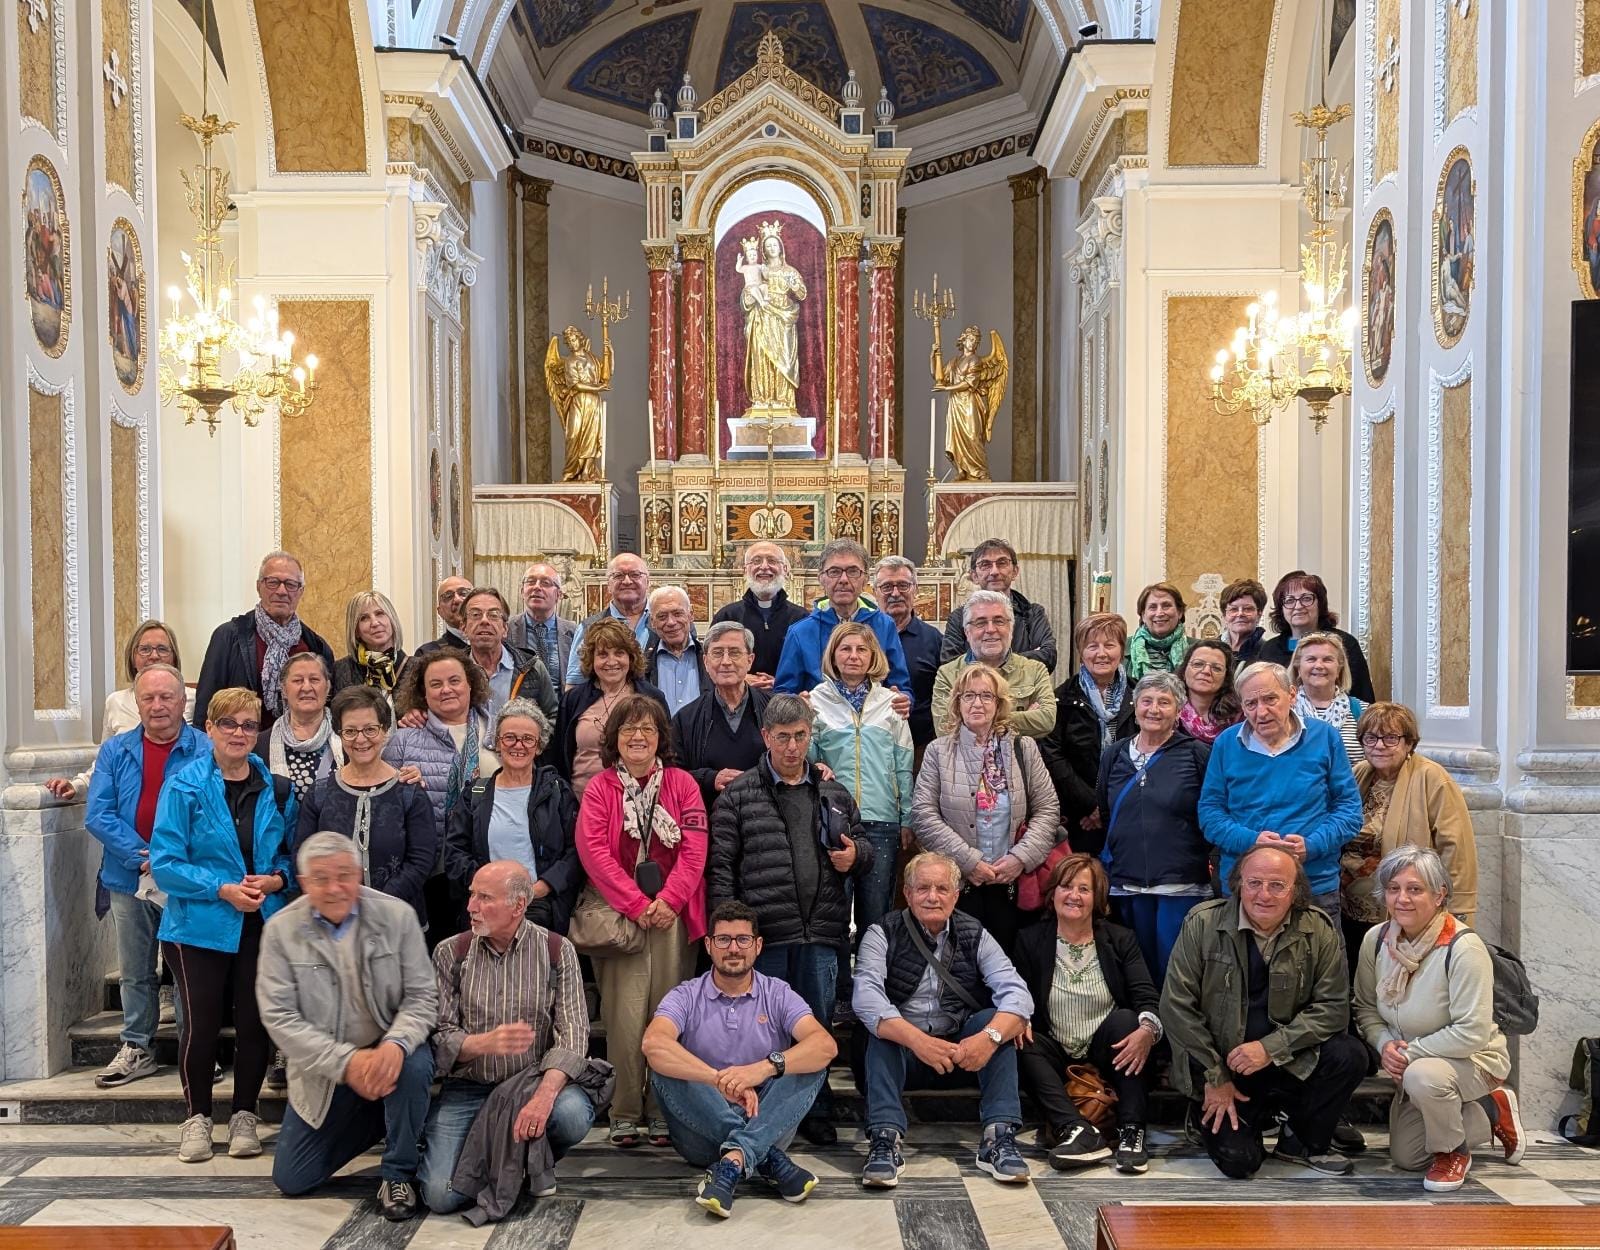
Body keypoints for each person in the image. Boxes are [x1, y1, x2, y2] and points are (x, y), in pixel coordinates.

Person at [709, 691, 874, 1145]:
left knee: (815, 1026)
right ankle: (762, 1109)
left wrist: (856, 856)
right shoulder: (739, 796)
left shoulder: (832, 792)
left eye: (800, 736)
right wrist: (729, 936)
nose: (792, 747)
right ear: (766, 737)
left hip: (821, 932)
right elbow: (721, 869)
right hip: (766, 936)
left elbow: (864, 846)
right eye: (782, 737)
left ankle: (814, 1108)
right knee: (762, 1029)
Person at [1160, 844, 1368, 1179]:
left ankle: (1299, 1140)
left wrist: (1270, 1049)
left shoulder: (1317, 928)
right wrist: (1215, 1076)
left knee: (1349, 1054)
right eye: (1254, 883)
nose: (1264, 894)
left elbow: (1333, 1008)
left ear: (1295, 890)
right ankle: (1213, 1116)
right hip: (1226, 1067)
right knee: (1239, 1162)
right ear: (1238, 884)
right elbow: (1176, 1006)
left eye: (1277, 885)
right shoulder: (1203, 922)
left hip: (1287, 1061)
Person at [257, 832, 437, 1219]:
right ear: (303, 882)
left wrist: (395, 1045)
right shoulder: (281, 930)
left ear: (359, 874)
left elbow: (422, 997)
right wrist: (348, 1063)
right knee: (293, 1178)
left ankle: (399, 1170)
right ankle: (391, 1119)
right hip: (326, 1066)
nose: (335, 888)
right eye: (321, 878)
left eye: (344, 875)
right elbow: (279, 1017)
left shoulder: (397, 916)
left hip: (390, 1050)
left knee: (415, 1064)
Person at [151, 687, 295, 1163]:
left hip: (260, 921)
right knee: (202, 1025)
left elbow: (290, 856)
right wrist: (222, 888)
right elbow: (166, 864)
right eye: (228, 723)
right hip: (197, 925)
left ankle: (244, 1116)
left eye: (249, 725)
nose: (239, 733)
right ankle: (196, 1118)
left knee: (254, 1023)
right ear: (209, 728)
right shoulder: (184, 785)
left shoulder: (277, 788)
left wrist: (276, 879)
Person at [418, 861, 595, 1214]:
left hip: (530, 1083)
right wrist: (482, 1044)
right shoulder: (451, 952)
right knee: (440, 1196)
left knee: (572, 1113)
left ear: (518, 905)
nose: (471, 906)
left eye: (485, 898)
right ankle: (510, 1165)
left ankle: (526, 1158)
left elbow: (574, 1033)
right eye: (472, 895)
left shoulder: (556, 949)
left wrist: (544, 1095)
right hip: (469, 1086)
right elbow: (440, 1033)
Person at [642, 901, 837, 1219]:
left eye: (743, 939)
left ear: (758, 946)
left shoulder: (778, 993)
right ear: (709, 945)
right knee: (665, 1066)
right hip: (700, 1134)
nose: (733, 948)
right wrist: (718, 1080)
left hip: (766, 1118)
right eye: (724, 939)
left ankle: (733, 1161)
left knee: (810, 1066)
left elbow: (825, 1046)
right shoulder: (685, 995)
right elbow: (654, 1043)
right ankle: (765, 1157)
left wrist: (761, 1069)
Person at [852, 852, 1035, 1188]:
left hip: (960, 1051)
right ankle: (885, 1140)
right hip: (905, 1054)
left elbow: (1017, 992)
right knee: (881, 1029)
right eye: (922, 888)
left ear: (956, 894)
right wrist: (918, 1041)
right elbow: (866, 997)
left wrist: (990, 1036)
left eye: (941, 888)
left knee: (996, 1021)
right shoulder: (882, 932)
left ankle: (998, 1138)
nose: (932, 897)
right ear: (907, 894)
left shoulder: (974, 932)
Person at [575, 694, 708, 1148]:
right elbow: (593, 851)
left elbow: (695, 849)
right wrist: (635, 903)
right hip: (619, 912)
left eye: (647, 729)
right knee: (625, 1016)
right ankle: (625, 1110)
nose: (638, 736)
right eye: (629, 729)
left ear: (660, 737)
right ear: (614, 738)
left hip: (673, 912)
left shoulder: (683, 785)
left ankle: (663, 1109)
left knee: (668, 1014)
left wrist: (669, 900)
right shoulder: (600, 788)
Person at [1353, 845, 1524, 1192]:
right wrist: (1384, 1045)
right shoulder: (1376, 940)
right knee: (1408, 1157)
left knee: (1423, 1077)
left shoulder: (1464, 948)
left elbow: (1471, 1032)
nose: (1402, 898)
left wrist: (1408, 1054)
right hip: (1413, 1066)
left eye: (1415, 889)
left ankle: (1452, 1152)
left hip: (1472, 1060)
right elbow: (1365, 1007)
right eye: (1393, 888)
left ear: (1439, 894)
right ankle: (1491, 1111)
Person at [84, 663, 212, 1087]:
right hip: (128, 878)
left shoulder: (205, 749)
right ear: (136, 704)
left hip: (185, 880)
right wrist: (145, 856)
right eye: (148, 698)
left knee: (188, 970)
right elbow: (98, 814)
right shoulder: (115, 751)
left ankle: (196, 1049)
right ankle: (138, 1046)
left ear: (182, 702)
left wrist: (169, 859)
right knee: (136, 971)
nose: (157, 706)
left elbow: (212, 812)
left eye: (166, 697)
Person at [1014, 855, 1162, 1173]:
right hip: (1056, 1049)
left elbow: (1147, 998)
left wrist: (1148, 1030)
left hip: (1107, 1050)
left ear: (1097, 898)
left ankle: (1132, 1131)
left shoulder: (1120, 939)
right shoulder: (1030, 940)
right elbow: (1017, 995)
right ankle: (1077, 1130)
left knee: (1129, 1021)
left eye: (1084, 889)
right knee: (1020, 1038)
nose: (1074, 896)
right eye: (1066, 886)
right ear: (1053, 893)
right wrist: (1019, 1017)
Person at [1199, 661, 1362, 929]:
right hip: (1246, 887)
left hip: (1312, 884)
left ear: (1292, 695)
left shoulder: (1325, 737)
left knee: (1320, 956)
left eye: (1270, 699)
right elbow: (1210, 814)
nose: (1261, 711)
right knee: (1244, 958)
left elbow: (1349, 811)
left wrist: (1313, 845)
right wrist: (1251, 842)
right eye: (1251, 704)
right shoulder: (1226, 743)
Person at [913, 663, 1060, 953]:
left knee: (1008, 961)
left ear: (999, 704)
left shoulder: (1024, 748)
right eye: (968, 696)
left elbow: (1047, 809)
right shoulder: (938, 751)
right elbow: (923, 815)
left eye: (986, 696)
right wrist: (969, 862)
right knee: (960, 961)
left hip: (1012, 884)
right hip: (959, 884)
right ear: (957, 703)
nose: (977, 703)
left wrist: (1020, 858)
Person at [1096, 672, 1213, 985]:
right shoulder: (1114, 755)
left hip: (1181, 885)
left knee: (1178, 972)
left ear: (1178, 710)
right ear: (1135, 707)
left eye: (1164, 702)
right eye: (1146, 701)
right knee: (1136, 972)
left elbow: (1210, 811)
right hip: (1126, 884)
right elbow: (1107, 811)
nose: (1154, 709)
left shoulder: (1196, 753)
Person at [808, 626, 913, 958]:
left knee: (876, 914)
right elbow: (808, 761)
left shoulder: (891, 703)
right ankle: (838, 983)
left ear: (872, 657)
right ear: (833, 655)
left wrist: (907, 818)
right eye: (845, 649)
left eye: (861, 649)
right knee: (834, 912)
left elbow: (903, 763)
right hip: (833, 822)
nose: (853, 656)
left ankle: (872, 981)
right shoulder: (815, 701)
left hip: (882, 820)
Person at [1344, 702, 1478, 958]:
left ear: (1409, 743)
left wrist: (1456, 911)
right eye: (1371, 738)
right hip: (1351, 911)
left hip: (1406, 909)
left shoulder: (1432, 778)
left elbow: (1456, 848)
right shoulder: (1360, 773)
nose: (1379, 746)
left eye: (1390, 738)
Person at [295, 686, 435, 926]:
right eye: (350, 731)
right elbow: (303, 855)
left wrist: (375, 905)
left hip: (396, 923)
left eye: (370, 729)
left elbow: (421, 860)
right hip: (333, 922)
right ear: (339, 734)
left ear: (385, 730)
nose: (360, 739)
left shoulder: (409, 791)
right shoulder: (319, 793)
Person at [384, 650, 497, 941]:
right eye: (435, 684)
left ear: (470, 683)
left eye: (454, 680)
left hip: (491, 866)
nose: (446, 689)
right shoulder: (404, 738)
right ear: (423, 692)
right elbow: (387, 805)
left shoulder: (498, 731)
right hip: (431, 872)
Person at [445, 699, 581, 934]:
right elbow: (455, 852)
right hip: (485, 907)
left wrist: (545, 886)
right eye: (510, 737)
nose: (519, 745)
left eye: (528, 739)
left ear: (539, 746)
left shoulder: (557, 791)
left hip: (539, 905)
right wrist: (488, 888)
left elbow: (575, 850)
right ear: (498, 743)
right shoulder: (475, 794)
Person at [46, 619, 195, 800]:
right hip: (129, 800)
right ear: (133, 657)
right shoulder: (116, 702)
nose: (154, 656)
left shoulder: (193, 698)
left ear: (174, 658)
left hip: (180, 798)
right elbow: (105, 761)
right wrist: (77, 785)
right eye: (145, 649)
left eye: (162, 649)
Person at [192, 551, 336, 732]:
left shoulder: (316, 647)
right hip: (241, 743)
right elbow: (205, 708)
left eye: (291, 584)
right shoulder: (228, 637)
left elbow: (326, 710)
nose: (282, 591)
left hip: (300, 743)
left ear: (300, 592)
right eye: (273, 582)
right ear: (258, 586)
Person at [1043, 613, 1134, 856]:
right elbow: (1053, 756)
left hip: (1129, 811)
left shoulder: (1139, 696)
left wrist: (1109, 806)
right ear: (1081, 652)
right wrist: (1092, 805)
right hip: (1078, 817)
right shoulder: (1060, 699)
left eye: (1109, 645)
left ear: (1122, 650)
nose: (1101, 653)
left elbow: (1146, 753)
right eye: (1092, 646)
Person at [773, 539, 910, 698]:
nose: (844, 579)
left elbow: (901, 686)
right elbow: (783, 693)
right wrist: (799, 702)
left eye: (853, 571)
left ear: (865, 578)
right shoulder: (800, 632)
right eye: (834, 571)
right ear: (821, 578)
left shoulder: (884, 625)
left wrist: (903, 699)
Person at [555, 616, 669, 801]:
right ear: (591, 659)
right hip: (581, 802)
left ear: (631, 657)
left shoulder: (651, 697)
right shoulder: (573, 699)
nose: (611, 661)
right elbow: (559, 756)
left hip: (640, 803)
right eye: (603, 654)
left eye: (619, 653)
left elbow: (666, 751)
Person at [931, 590, 1057, 740]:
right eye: (981, 623)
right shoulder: (947, 674)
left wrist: (973, 719)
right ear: (967, 632)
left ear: (1011, 628)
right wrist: (1019, 719)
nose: (991, 629)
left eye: (999, 621)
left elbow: (1047, 720)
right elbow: (945, 730)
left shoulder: (1035, 670)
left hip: (1020, 755)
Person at [671, 621, 772, 808]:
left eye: (734, 652)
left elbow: (794, 760)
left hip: (768, 815)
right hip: (709, 814)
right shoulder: (686, 719)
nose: (726, 661)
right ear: (705, 661)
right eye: (717, 653)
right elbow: (672, 775)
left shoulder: (774, 709)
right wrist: (710, 778)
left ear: (750, 660)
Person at [939, 538, 1058, 673]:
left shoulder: (1033, 613)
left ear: (1015, 571)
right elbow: (950, 666)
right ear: (974, 576)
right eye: (985, 565)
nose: (994, 571)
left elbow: (1048, 657)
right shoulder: (958, 617)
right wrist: (1024, 660)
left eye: (1002, 563)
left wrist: (980, 663)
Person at [1258, 571, 1376, 703]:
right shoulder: (1269, 649)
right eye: (1289, 600)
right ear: (1281, 608)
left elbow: (1363, 697)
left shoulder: (1345, 643)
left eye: (1306, 599)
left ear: (1320, 604)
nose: (1298, 606)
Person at [712, 541, 807, 686]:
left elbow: (811, 667)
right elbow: (711, 660)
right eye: (756, 561)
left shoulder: (801, 618)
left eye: (772, 561)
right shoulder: (727, 616)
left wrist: (780, 683)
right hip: (738, 695)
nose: (764, 566)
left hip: (786, 697)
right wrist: (741, 678)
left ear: (785, 569)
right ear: (745, 570)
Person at [873, 556, 942, 749]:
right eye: (887, 587)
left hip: (922, 745)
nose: (895, 593)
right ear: (875, 592)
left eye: (903, 585)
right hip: (871, 745)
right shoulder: (861, 636)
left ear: (915, 589)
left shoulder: (934, 639)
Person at [460, 587, 558, 723]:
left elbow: (553, 716)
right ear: (463, 628)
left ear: (505, 629)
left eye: (493, 615)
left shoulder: (532, 668)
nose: (484, 621)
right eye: (476, 615)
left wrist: (531, 736)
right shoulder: (453, 670)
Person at [256, 652, 342, 804]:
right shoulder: (260, 744)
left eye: (314, 680)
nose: (306, 687)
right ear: (284, 689)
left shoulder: (347, 737)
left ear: (327, 687)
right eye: (298, 680)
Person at [565, 553, 655, 688]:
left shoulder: (665, 623)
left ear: (648, 581)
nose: (627, 581)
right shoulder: (588, 627)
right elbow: (574, 684)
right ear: (608, 584)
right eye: (618, 576)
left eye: (635, 575)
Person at [1289, 631, 1367, 768]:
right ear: (1298, 667)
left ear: (1339, 668)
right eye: (1311, 659)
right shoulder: (1284, 710)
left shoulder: (1363, 711)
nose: (1319, 665)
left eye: (1327, 660)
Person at [507, 562, 577, 691]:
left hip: (563, 702)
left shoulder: (574, 632)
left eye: (545, 583)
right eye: (531, 582)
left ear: (559, 595)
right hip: (519, 701)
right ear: (522, 592)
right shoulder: (507, 629)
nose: (537, 587)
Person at [332, 591, 408, 699]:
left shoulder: (416, 668)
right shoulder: (340, 670)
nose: (375, 623)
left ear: (392, 619)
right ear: (356, 630)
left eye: (380, 614)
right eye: (364, 618)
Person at [644, 586, 708, 715]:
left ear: (691, 615)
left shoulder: (711, 659)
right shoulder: (642, 665)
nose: (671, 622)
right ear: (652, 622)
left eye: (678, 614)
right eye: (662, 616)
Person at [1178, 638, 1242, 745]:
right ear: (1184, 671)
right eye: (1198, 664)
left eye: (1216, 668)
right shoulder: (1168, 713)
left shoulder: (1239, 718)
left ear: (1226, 678)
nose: (1206, 671)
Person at [1126, 582, 1190, 681]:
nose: (1159, 613)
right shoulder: (1123, 648)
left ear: (1180, 612)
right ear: (1143, 615)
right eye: (1153, 607)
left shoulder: (1197, 650)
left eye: (1166, 606)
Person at [414, 576, 474, 655]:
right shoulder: (428, 653)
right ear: (440, 612)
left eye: (463, 593)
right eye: (448, 596)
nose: (457, 600)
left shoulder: (491, 645)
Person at [1220, 579, 1268, 665]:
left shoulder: (1268, 652)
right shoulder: (1210, 649)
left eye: (1248, 609)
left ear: (1259, 614)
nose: (1240, 614)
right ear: (1224, 615)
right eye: (1233, 609)